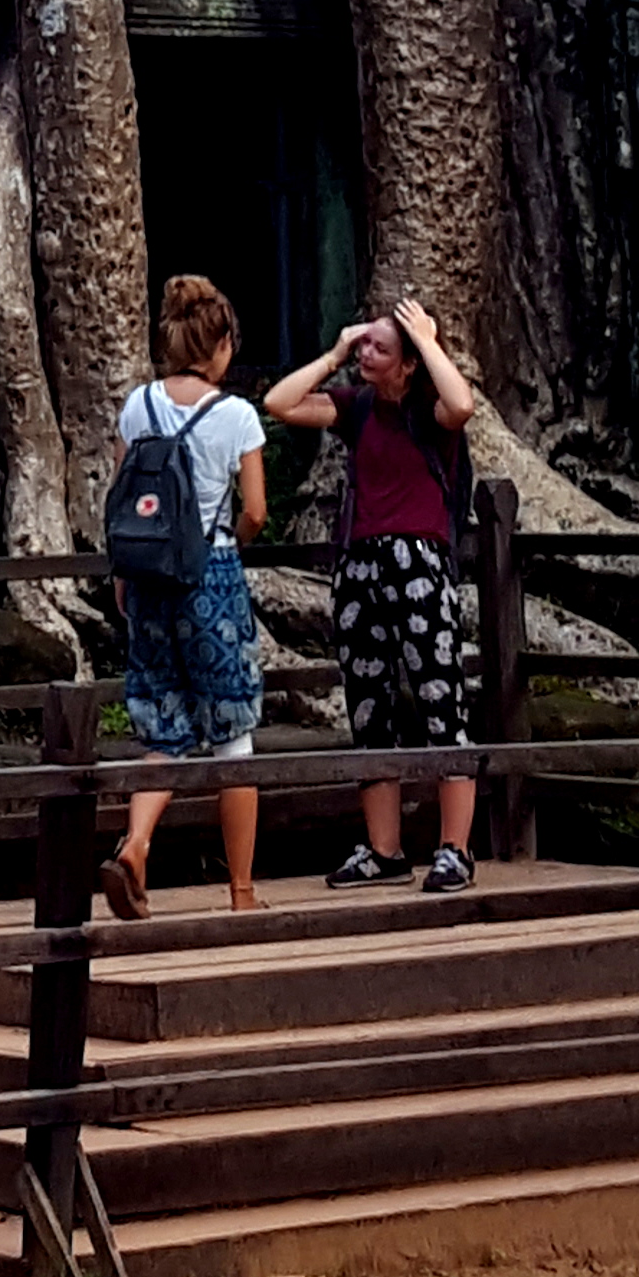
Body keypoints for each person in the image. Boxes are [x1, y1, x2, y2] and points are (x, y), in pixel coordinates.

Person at [267, 295, 480, 890]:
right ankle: (383, 850)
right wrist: (335, 352)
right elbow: (278, 402)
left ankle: (455, 848)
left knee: (441, 701)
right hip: (360, 565)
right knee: (368, 706)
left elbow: (461, 405)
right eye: (365, 344)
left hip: (420, 563)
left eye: (378, 348)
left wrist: (428, 341)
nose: (366, 353)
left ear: (407, 364)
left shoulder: (428, 413)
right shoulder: (355, 408)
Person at [101, 272, 268, 921]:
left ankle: (137, 844)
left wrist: (123, 573)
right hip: (212, 575)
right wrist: (228, 535)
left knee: (162, 728)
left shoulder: (137, 406)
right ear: (220, 342)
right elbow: (254, 510)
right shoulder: (236, 415)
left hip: (145, 581)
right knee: (233, 737)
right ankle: (242, 893)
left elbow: (121, 500)